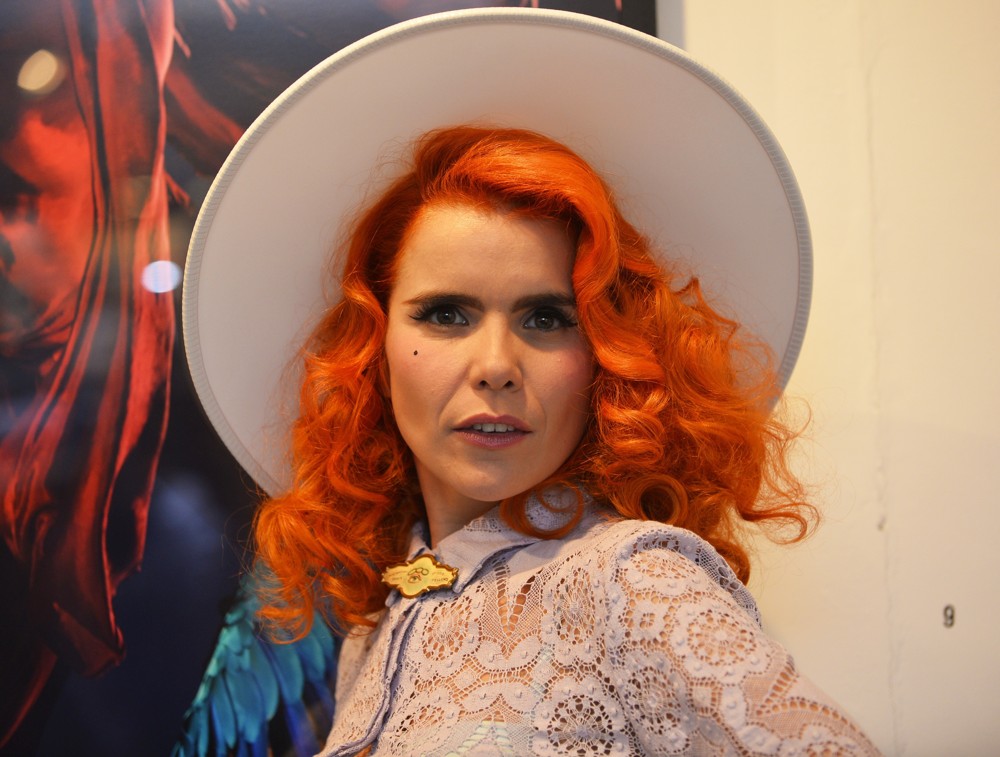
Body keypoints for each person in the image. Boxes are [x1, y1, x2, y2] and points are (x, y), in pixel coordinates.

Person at [183, 9, 879, 755]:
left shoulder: (629, 581)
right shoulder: (374, 629)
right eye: (446, 314)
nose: (496, 365)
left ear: (608, 356)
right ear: (370, 350)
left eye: (547, 318)